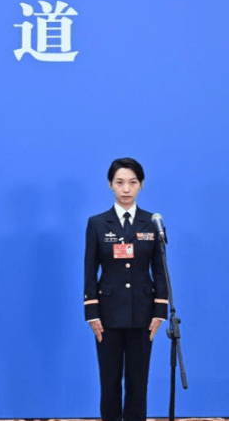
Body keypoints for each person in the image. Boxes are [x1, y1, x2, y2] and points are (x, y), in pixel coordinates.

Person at [84, 157, 168, 421]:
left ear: (141, 184)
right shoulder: (97, 223)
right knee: (109, 382)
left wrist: (160, 310)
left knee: (138, 382)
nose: (126, 189)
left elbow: (160, 270)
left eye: (132, 182)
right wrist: (92, 312)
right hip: (107, 315)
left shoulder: (152, 222)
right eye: (119, 182)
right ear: (110, 184)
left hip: (143, 314)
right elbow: (89, 270)